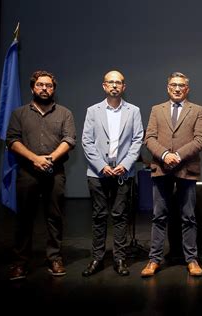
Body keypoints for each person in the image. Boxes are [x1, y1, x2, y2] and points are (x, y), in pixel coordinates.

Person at [6, 70, 76, 280]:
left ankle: (54, 258)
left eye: (49, 85)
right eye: (40, 85)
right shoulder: (19, 113)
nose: (44, 89)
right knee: (24, 218)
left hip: (55, 172)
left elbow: (69, 139)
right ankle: (21, 262)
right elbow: (12, 140)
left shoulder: (64, 113)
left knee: (55, 217)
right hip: (27, 172)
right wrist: (35, 159)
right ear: (33, 88)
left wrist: (50, 159)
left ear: (54, 89)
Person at [141, 72, 202, 277]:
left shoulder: (198, 110)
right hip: (161, 168)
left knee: (188, 217)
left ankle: (191, 259)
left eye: (181, 85)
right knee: (159, 216)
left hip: (186, 169)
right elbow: (149, 137)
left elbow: (201, 139)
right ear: (167, 87)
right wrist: (164, 154)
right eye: (173, 85)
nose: (177, 88)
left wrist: (177, 155)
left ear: (187, 89)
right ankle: (154, 260)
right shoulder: (156, 110)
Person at [81, 70, 144, 277]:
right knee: (99, 216)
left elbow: (137, 141)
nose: (114, 85)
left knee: (120, 216)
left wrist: (126, 164)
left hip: (123, 173)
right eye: (110, 82)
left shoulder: (133, 111)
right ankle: (97, 258)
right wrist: (101, 165)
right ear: (104, 86)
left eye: (118, 82)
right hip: (97, 173)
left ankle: (119, 258)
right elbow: (87, 141)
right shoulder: (93, 111)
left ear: (124, 87)